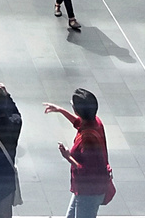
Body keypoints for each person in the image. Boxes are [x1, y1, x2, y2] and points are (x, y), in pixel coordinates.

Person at [47, 89, 112, 218]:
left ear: (77, 111)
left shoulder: (88, 139)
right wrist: (60, 110)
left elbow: (87, 169)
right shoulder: (95, 122)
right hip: (85, 189)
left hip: (89, 191)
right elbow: (79, 123)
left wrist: (68, 156)